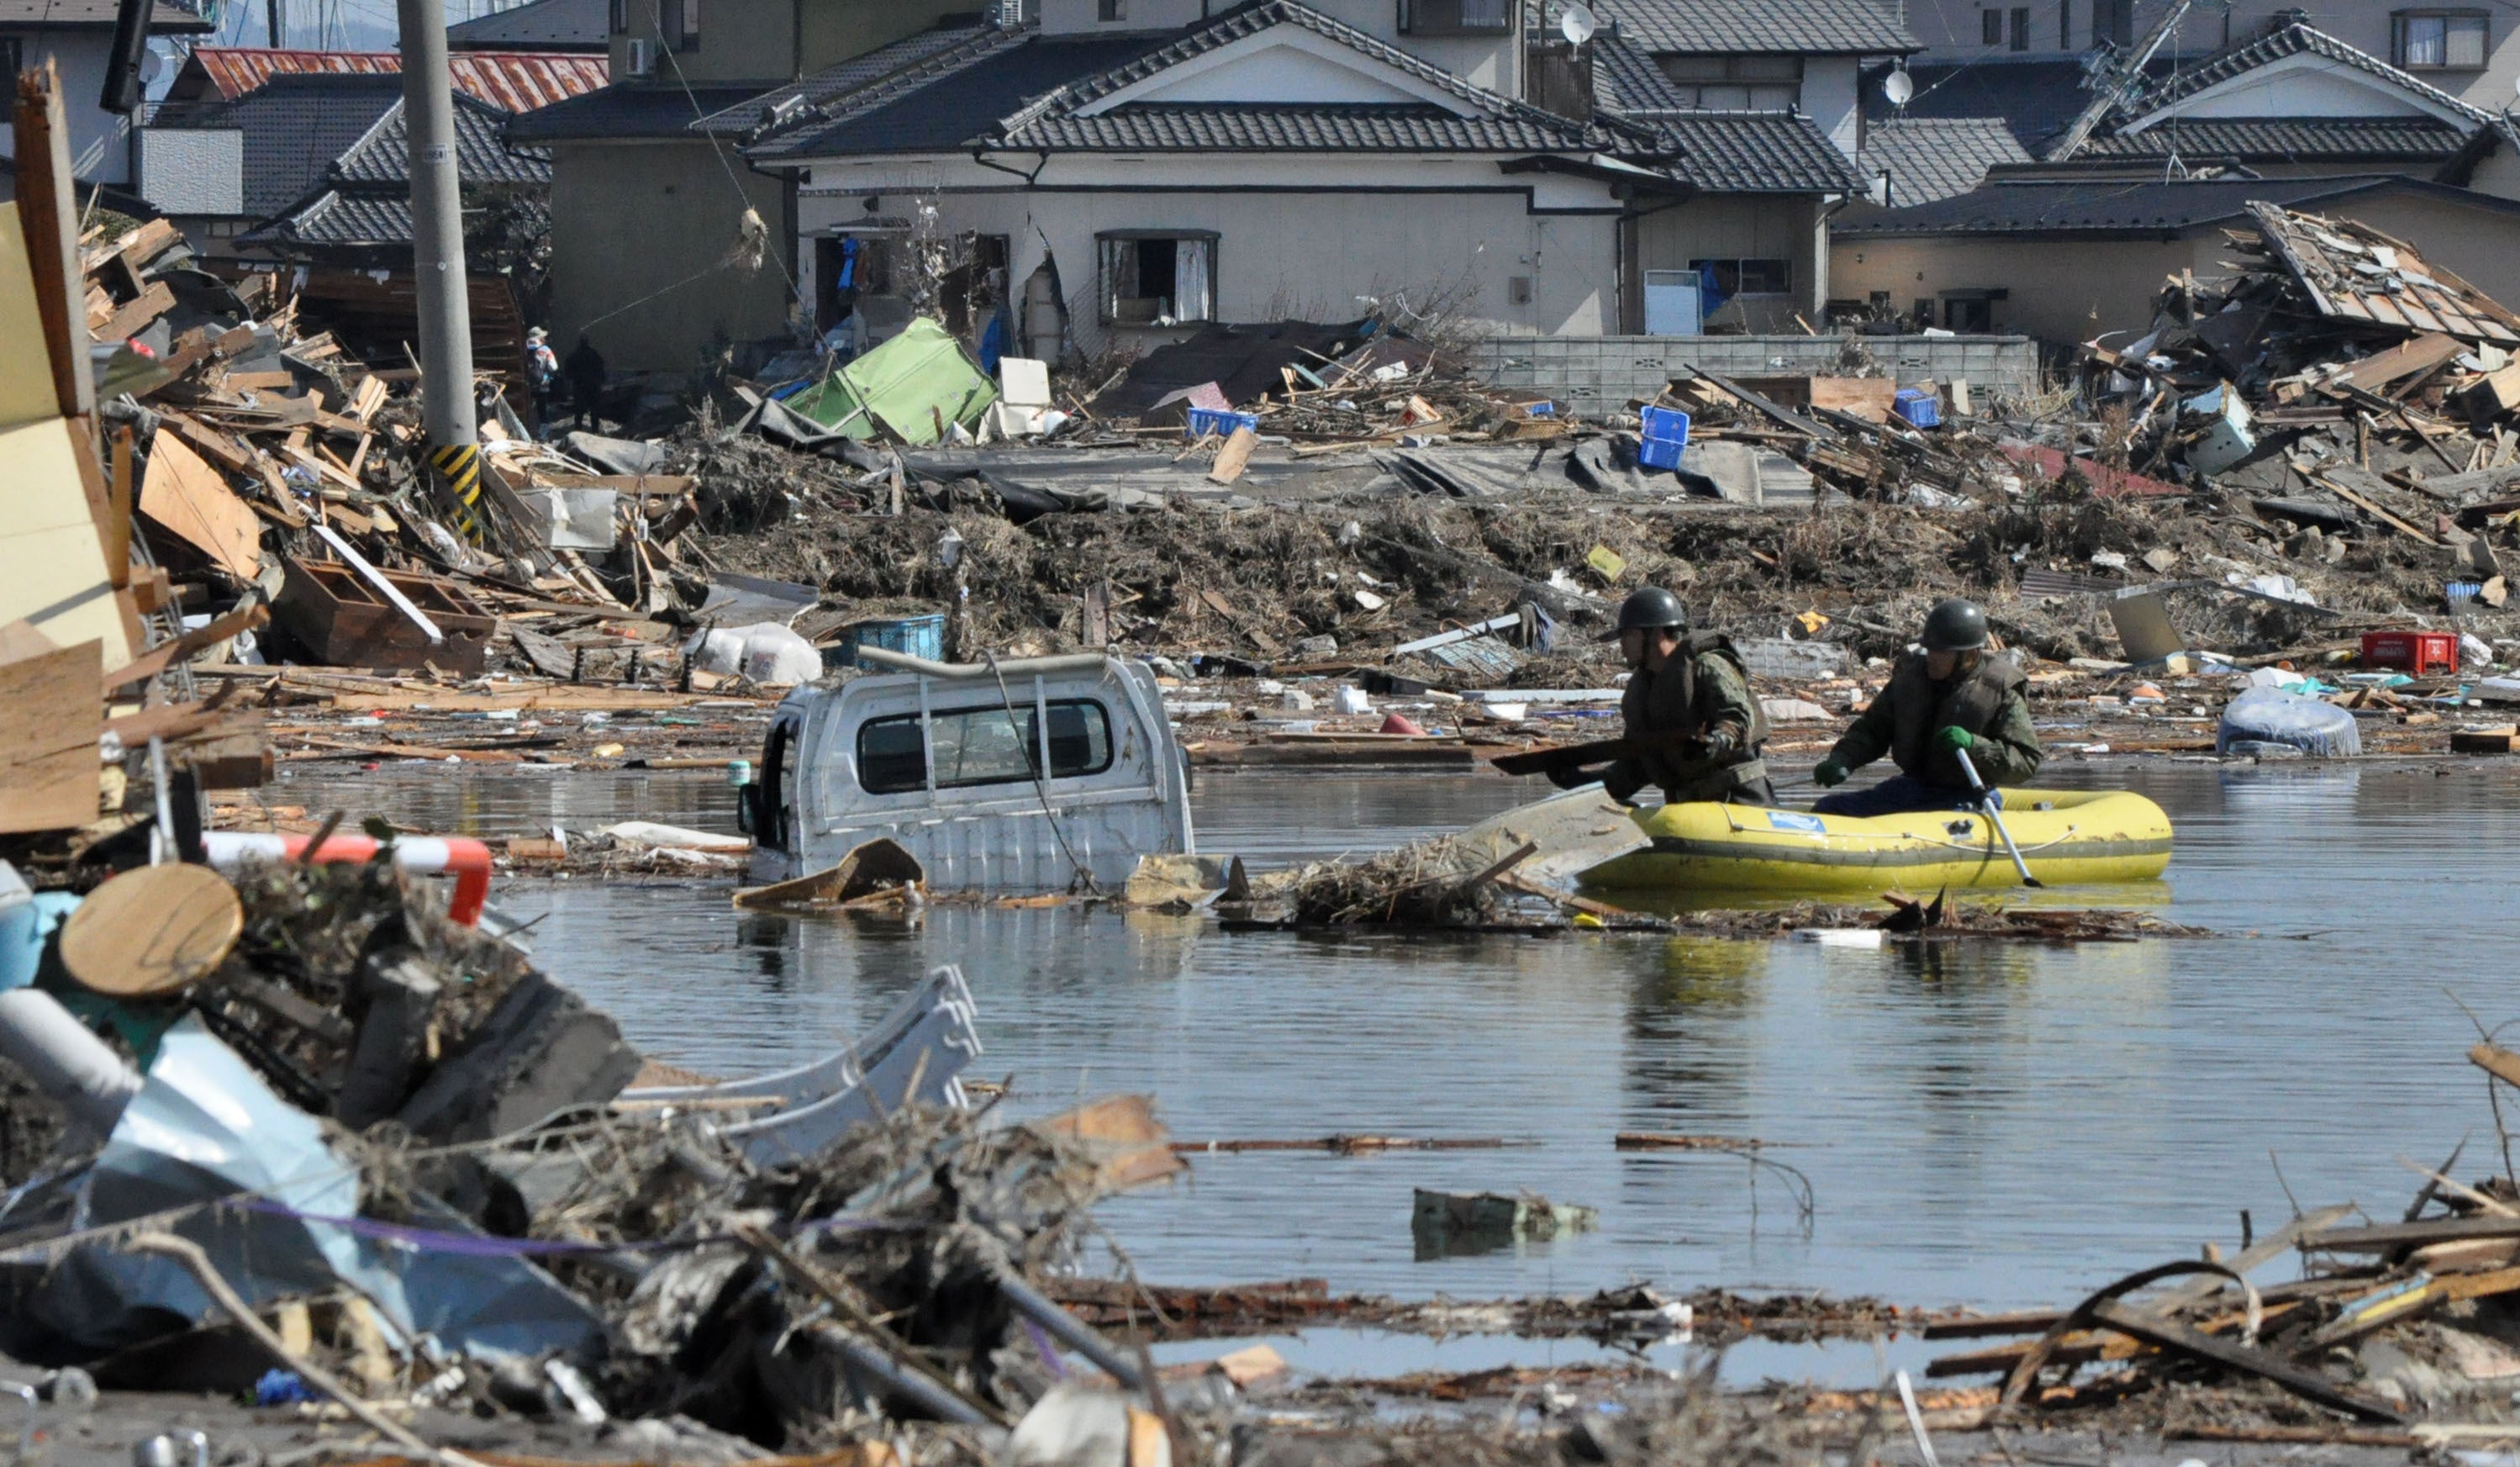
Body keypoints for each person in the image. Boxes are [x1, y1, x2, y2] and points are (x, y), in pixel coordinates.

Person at [1811, 597, 2043, 817]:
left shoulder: (1999, 688)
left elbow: (2025, 761)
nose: (1932, 657)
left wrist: (1975, 745)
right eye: (1930, 649)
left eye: (1942, 652)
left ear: (1969, 655)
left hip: (1969, 796)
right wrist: (1843, 759)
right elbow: (1873, 730)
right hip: (1913, 788)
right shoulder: (1910, 680)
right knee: (1828, 808)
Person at [1550, 587, 1773, 806]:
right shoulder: (1645, 692)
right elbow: (1633, 771)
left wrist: (1714, 743)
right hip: (1686, 809)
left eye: (1629, 634)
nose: (1622, 643)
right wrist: (1576, 780)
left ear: (1656, 634)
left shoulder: (1707, 666)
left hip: (1741, 800)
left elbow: (1738, 720)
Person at [565, 334, 607, 430]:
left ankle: (578, 429)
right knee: (594, 410)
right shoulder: (594, 354)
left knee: (579, 410)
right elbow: (601, 369)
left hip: (580, 386)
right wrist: (601, 381)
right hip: (593, 385)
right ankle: (595, 430)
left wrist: (575, 378)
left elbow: (567, 372)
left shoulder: (574, 355)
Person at [523, 327, 558, 430]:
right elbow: (554, 367)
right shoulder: (545, 350)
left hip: (527, 385)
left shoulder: (524, 348)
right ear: (540, 338)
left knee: (529, 409)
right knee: (542, 408)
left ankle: (530, 430)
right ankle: (543, 433)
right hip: (542, 384)